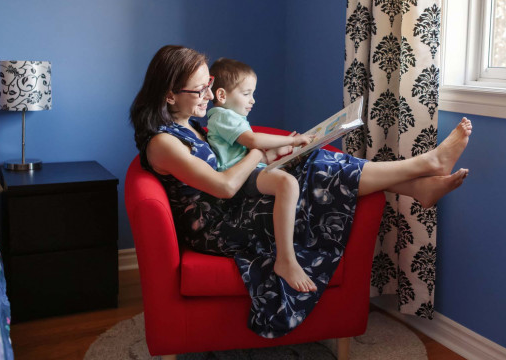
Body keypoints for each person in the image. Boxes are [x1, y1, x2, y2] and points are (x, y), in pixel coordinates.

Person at [130, 45, 471, 338]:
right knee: (308, 179)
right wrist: (257, 154)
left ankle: (418, 182)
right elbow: (224, 185)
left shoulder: (187, 123)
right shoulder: (163, 143)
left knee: (317, 161)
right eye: (198, 90)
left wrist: (283, 152)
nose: (208, 95)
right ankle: (423, 169)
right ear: (169, 94)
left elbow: (226, 165)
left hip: (235, 204)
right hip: (218, 226)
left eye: (208, 86)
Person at [207, 58, 317, 293]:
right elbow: (254, 141)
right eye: (247, 93)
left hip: (249, 171)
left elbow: (248, 149)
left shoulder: (231, 118)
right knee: (287, 183)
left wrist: (278, 152)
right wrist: (292, 139)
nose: (252, 100)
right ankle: (285, 259)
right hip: (240, 177)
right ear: (222, 95)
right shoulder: (221, 116)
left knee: (297, 176)